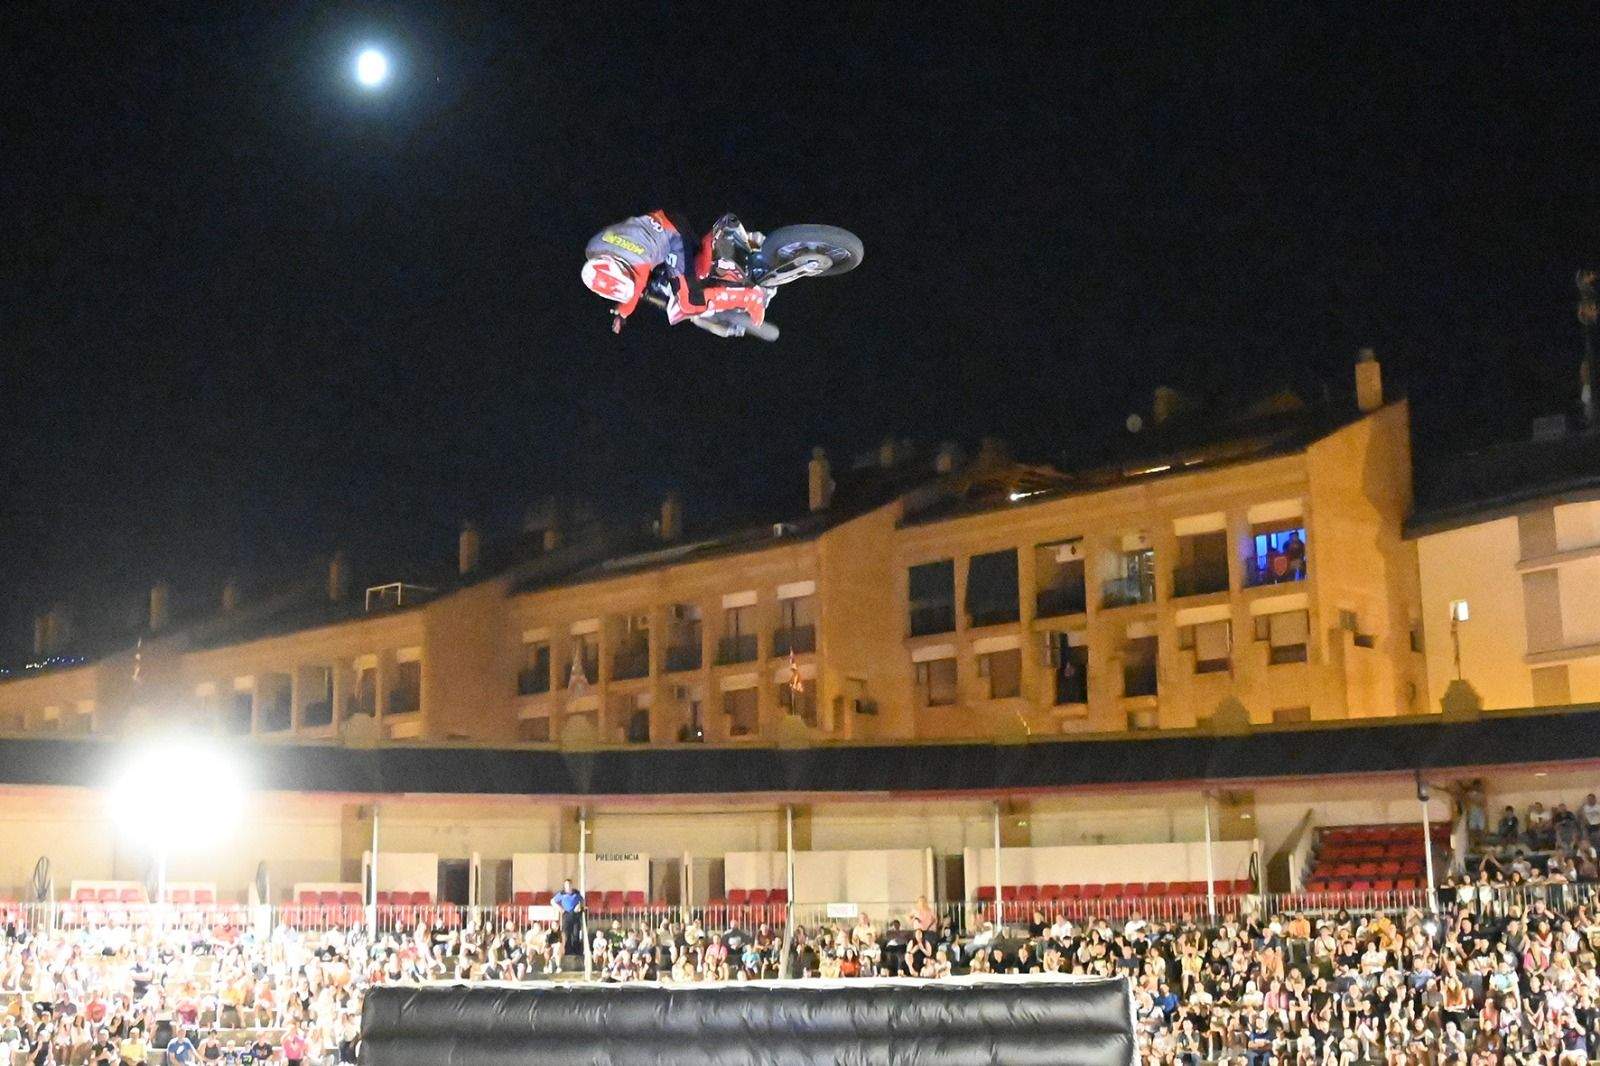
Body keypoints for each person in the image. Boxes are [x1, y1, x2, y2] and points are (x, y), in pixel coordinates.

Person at [582, 212, 768, 332]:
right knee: (693, 272)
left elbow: (637, 286)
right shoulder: (594, 248)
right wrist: (622, 312)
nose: (630, 276)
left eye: (626, 275)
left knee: (688, 302)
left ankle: (749, 297)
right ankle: (727, 243)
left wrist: (625, 310)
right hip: (663, 221)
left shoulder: (638, 264)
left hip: (673, 239)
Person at [552, 879, 585, 959]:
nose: (568, 886)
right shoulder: (561, 894)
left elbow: (582, 901)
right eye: (566, 885)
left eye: (569, 885)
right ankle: (567, 951)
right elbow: (552, 901)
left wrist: (579, 906)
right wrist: (560, 909)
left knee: (576, 933)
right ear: (565, 886)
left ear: (571, 885)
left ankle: (576, 952)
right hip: (566, 914)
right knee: (566, 933)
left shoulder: (576, 893)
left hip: (575, 914)